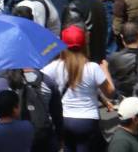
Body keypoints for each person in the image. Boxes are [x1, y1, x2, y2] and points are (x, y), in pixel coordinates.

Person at [43, 24, 115, 152]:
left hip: (64, 119)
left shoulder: (54, 66)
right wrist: (105, 70)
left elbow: (40, 80)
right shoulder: (93, 67)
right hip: (88, 121)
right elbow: (110, 92)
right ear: (84, 45)